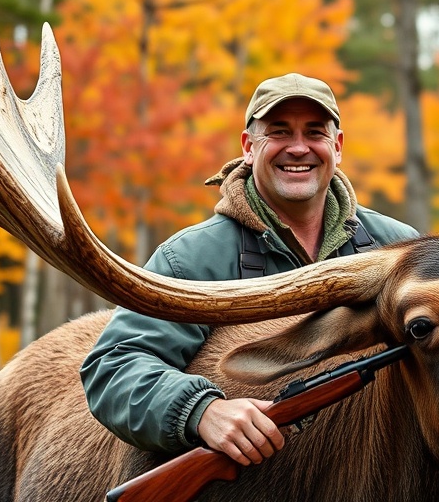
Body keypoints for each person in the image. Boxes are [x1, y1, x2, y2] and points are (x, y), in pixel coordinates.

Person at [79, 73, 419, 467]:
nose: (297, 148)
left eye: (314, 132)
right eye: (279, 132)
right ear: (248, 146)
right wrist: (201, 411)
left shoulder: (397, 247)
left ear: (337, 147)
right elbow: (115, 367)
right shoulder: (191, 258)